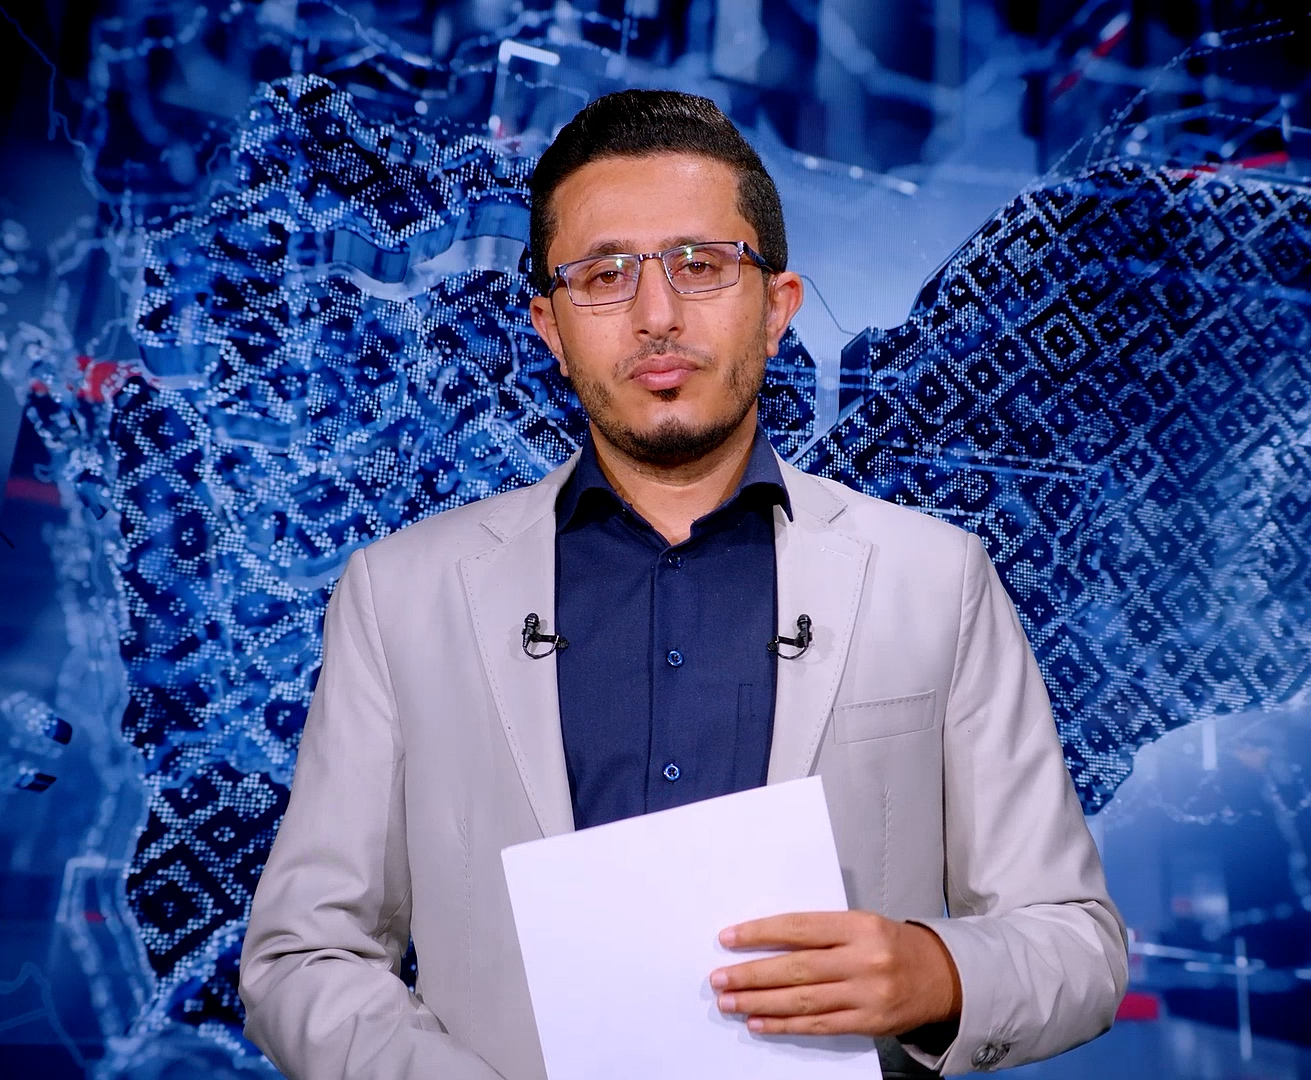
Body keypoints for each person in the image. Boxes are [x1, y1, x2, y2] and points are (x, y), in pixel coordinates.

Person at [239, 88, 1127, 1080]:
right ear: (549, 327)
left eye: (700, 266)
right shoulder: (400, 597)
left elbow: (1078, 944)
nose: (656, 317)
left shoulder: (935, 579)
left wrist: (937, 974)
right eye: (604, 276)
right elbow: (301, 960)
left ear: (778, 307)